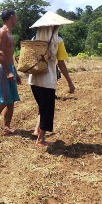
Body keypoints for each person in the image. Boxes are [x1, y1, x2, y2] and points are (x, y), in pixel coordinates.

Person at [28, 12, 75, 147]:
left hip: (34, 80)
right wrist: (70, 82)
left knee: (42, 108)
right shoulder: (58, 41)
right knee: (47, 110)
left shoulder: (34, 39)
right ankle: (41, 140)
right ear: (54, 27)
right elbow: (61, 63)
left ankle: (37, 130)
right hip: (47, 81)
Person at [0, 9, 22, 136]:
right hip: (2, 69)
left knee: (11, 100)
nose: (16, 19)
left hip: (9, 68)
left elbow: (9, 56)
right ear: (11, 17)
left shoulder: (9, 33)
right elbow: (0, 54)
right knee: (3, 101)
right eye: (16, 17)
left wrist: (15, 72)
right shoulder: (2, 32)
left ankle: (7, 127)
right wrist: (8, 72)